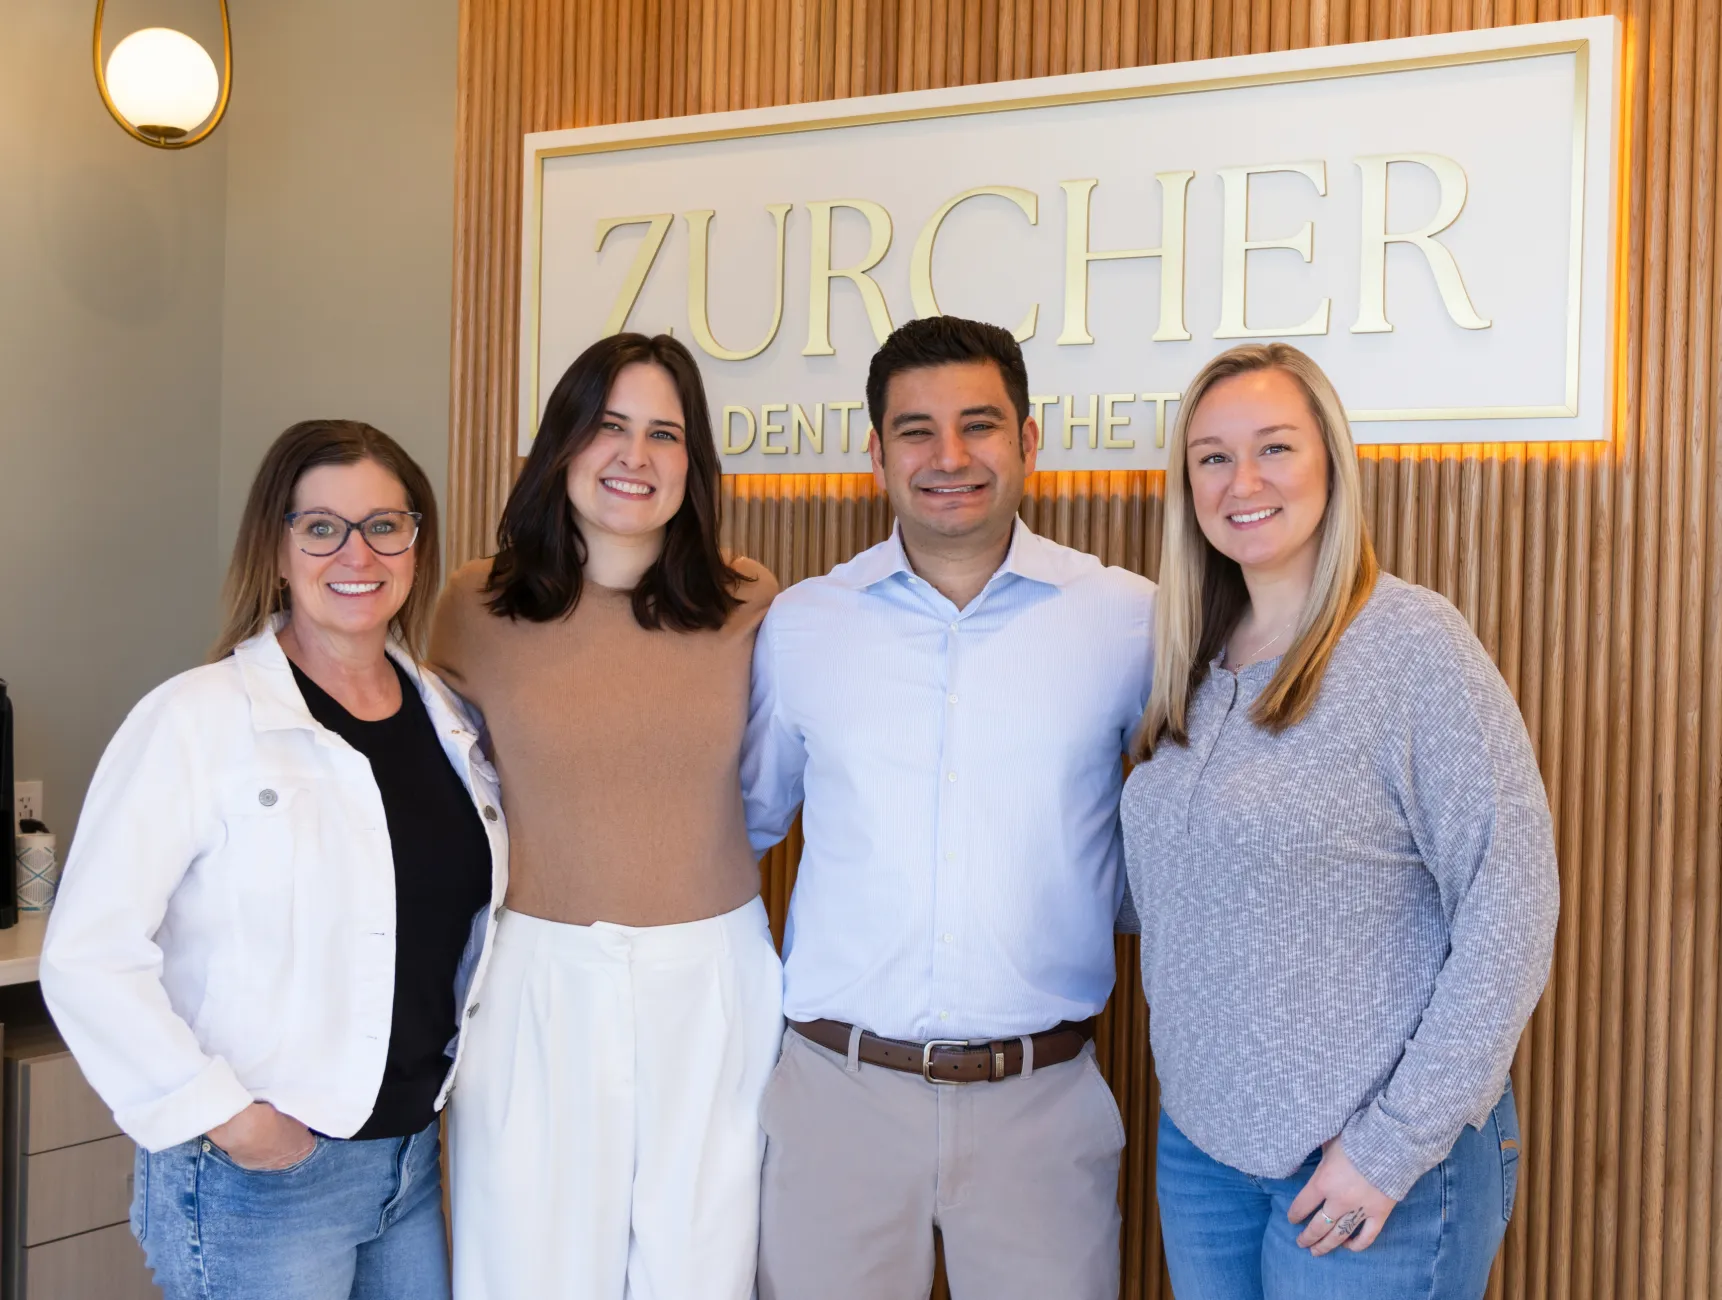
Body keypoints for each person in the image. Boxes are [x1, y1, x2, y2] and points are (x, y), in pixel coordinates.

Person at [1120, 342, 1559, 1299]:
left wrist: (1391, 1145)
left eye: (1275, 447)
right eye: (1212, 456)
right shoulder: (1189, 663)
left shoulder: (1411, 646)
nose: (1243, 481)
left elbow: (1513, 901)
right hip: (1203, 1156)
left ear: (1331, 463)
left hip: (1374, 1167)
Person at [40, 420, 506, 1300]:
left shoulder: (448, 719)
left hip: (410, 1160)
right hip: (263, 1176)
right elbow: (87, 952)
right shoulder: (197, 717)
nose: (356, 553)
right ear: (279, 548)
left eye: (384, 525)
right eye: (321, 527)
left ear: (416, 543)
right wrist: (229, 1118)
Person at [743, 315, 1155, 1300]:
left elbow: (1179, 841)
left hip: (1041, 1106)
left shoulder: (1129, 621)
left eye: (979, 424)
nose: (950, 457)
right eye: (917, 430)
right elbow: (736, 831)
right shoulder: (803, 624)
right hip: (836, 1100)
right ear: (876, 452)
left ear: (1029, 440)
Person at [430, 332, 780, 1300]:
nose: (636, 456)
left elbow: (771, 783)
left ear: (693, 461)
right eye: (609, 426)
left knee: (701, 1272)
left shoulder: (748, 600)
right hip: (536, 977)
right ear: (563, 443)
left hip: (711, 978)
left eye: (665, 433)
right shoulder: (474, 604)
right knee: (526, 1270)